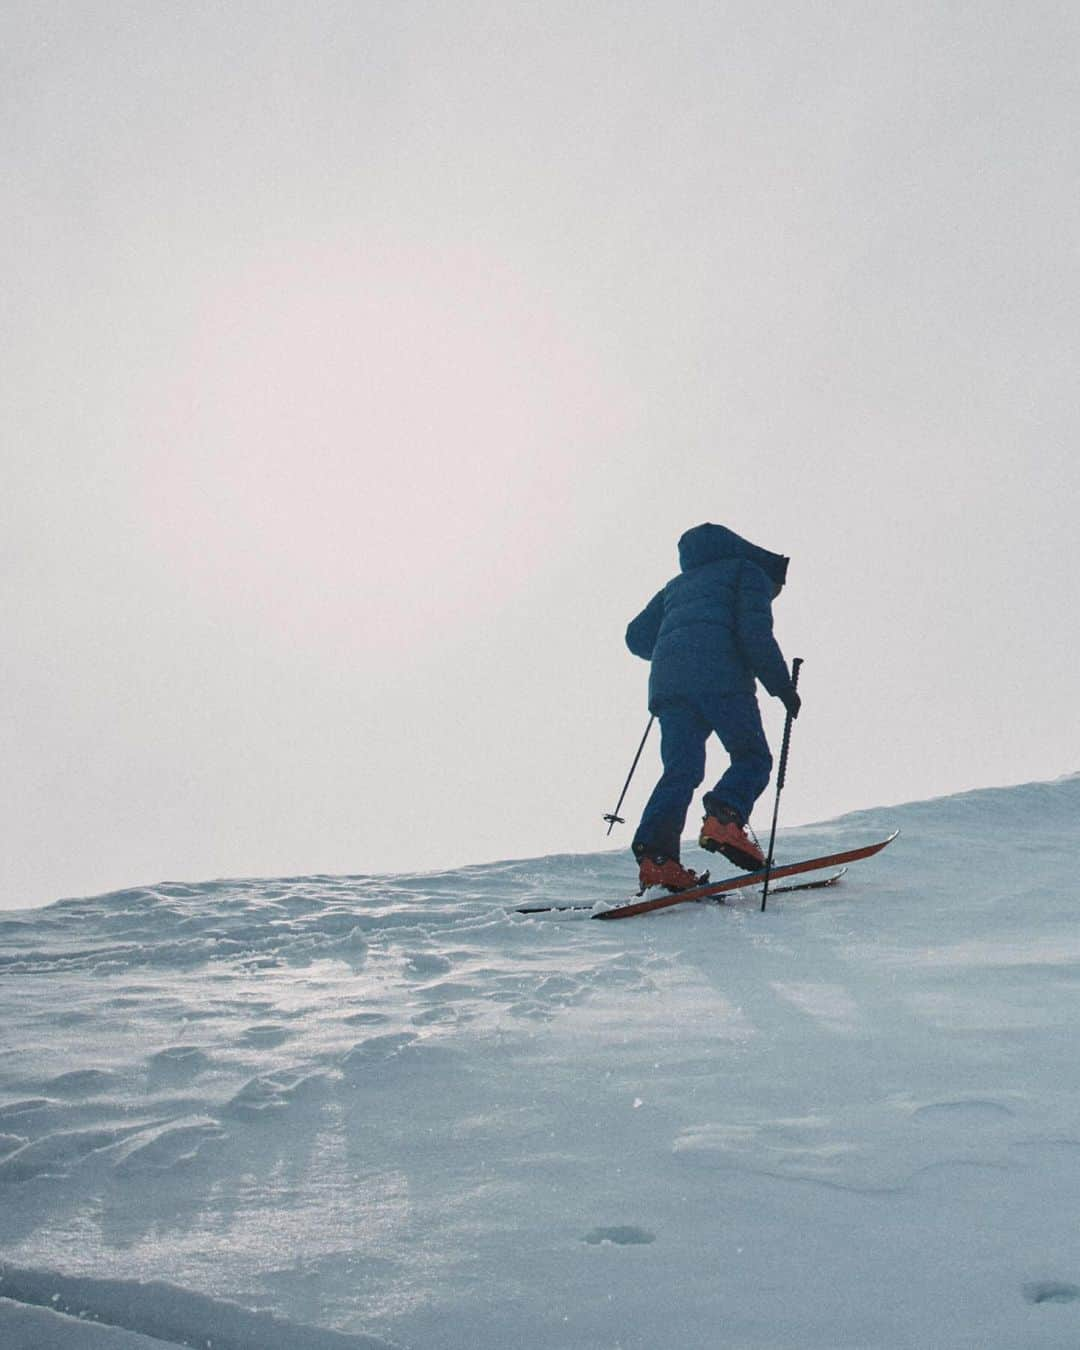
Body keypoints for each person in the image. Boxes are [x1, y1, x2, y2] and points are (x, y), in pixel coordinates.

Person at [625, 522, 801, 894]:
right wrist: (782, 687)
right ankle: (725, 819)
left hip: (670, 686)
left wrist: (675, 644)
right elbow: (755, 633)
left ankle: (658, 861)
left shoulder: (675, 587)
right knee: (752, 756)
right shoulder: (746, 571)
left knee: (681, 770)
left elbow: (636, 636)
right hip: (721, 677)